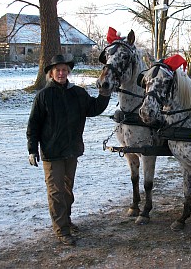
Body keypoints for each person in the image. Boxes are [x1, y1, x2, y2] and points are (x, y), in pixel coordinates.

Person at [26, 54, 111, 246]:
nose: (62, 73)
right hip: (52, 152)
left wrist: (105, 94)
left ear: (68, 72)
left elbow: (93, 108)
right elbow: (33, 125)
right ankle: (62, 230)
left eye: (65, 70)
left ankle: (67, 220)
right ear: (51, 73)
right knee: (56, 192)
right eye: (58, 70)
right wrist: (32, 149)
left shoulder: (77, 94)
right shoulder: (43, 96)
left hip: (72, 151)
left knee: (67, 191)